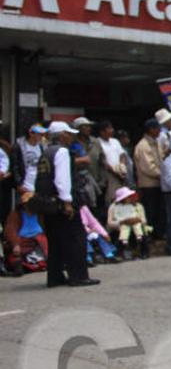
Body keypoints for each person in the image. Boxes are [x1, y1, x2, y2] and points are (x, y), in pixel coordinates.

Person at [35, 121, 99, 287]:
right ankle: (78, 276)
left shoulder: (46, 151)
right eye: (69, 134)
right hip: (61, 202)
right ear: (62, 135)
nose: (72, 137)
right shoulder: (62, 152)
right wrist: (67, 202)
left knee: (55, 241)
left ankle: (55, 277)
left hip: (47, 203)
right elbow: (62, 180)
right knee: (76, 239)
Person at [3, 192, 49, 277]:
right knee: (16, 257)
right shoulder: (16, 215)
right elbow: (10, 231)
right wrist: (15, 244)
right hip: (23, 242)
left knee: (45, 245)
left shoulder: (40, 215)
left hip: (39, 244)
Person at [134, 118, 164, 239]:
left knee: (158, 211)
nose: (159, 131)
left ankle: (158, 234)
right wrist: (162, 174)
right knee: (149, 212)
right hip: (148, 185)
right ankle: (148, 236)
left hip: (158, 183)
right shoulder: (143, 145)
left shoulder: (156, 143)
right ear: (151, 130)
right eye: (157, 128)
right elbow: (148, 167)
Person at [92, 120, 128, 208]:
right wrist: (115, 171)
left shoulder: (115, 141)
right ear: (102, 131)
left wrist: (122, 167)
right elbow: (102, 160)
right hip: (109, 174)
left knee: (124, 198)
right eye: (109, 128)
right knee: (112, 199)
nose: (112, 130)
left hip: (120, 173)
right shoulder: (97, 142)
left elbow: (122, 155)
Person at [108, 187, 151, 260]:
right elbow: (110, 223)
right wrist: (122, 222)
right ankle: (118, 253)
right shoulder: (113, 207)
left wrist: (137, 220)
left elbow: (144, 220)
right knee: (123, 232)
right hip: (120, 228)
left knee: (141, 230)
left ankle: (144, 252)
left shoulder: (138, 206)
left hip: (135, 226)